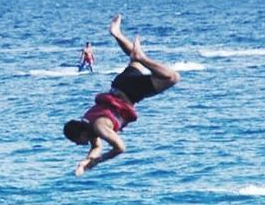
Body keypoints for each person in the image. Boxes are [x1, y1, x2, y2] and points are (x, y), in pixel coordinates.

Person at [63, 15, 182, 175]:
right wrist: (85, 163)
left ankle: (141, 56)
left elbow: (120, 147)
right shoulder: (90, 125)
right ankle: (116, 33)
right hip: (121, 84)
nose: (78, 145)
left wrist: (97, 161)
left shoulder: (98, 126)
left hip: (131, 92)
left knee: (172, 77)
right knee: (135, 62)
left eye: (76, 141)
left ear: (82, 133)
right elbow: (96, 147)